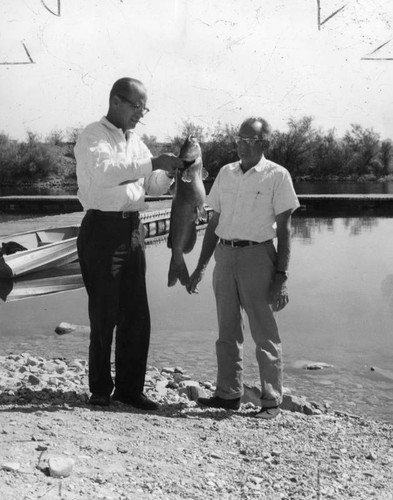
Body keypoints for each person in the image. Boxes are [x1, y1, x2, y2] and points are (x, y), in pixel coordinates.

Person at [75, 77, 183, 409]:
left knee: (137, 313)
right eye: (137, 107)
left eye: (144, 108)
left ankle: (130, 388)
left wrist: (172, 172)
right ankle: (99, 388)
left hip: (133, 230)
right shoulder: (93, 135)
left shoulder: (135, 140)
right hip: (102, 229)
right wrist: (153, 163)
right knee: (104, 311)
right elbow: (107, 171)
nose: (140, 114)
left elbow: (152, 184)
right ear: (117, 101)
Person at [187, 116, 300, 419]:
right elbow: (214, 223)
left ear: (264, 143)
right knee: (227, 330)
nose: (244, 146)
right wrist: (200, 267)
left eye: (252, 141)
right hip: (225, 256)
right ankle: (227, 394)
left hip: (258, 257)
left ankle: (272, 402)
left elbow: (286, 230)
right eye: (240, 139)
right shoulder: (226, 173)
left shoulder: (278, 176)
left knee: (264, 333)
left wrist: (281, 278)